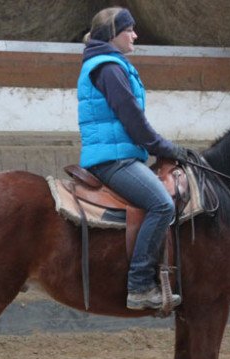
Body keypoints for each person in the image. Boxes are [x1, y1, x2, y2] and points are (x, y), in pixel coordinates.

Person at [78, 7, 187, 310]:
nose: (135, 35)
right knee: (162, 205)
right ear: (113, 35)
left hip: (121, 154)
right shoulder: (109, 68)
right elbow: (133, 120)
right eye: (129, 30)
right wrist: (163, 147)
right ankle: (139, 285)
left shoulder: (112, 65)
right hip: (113, 160)